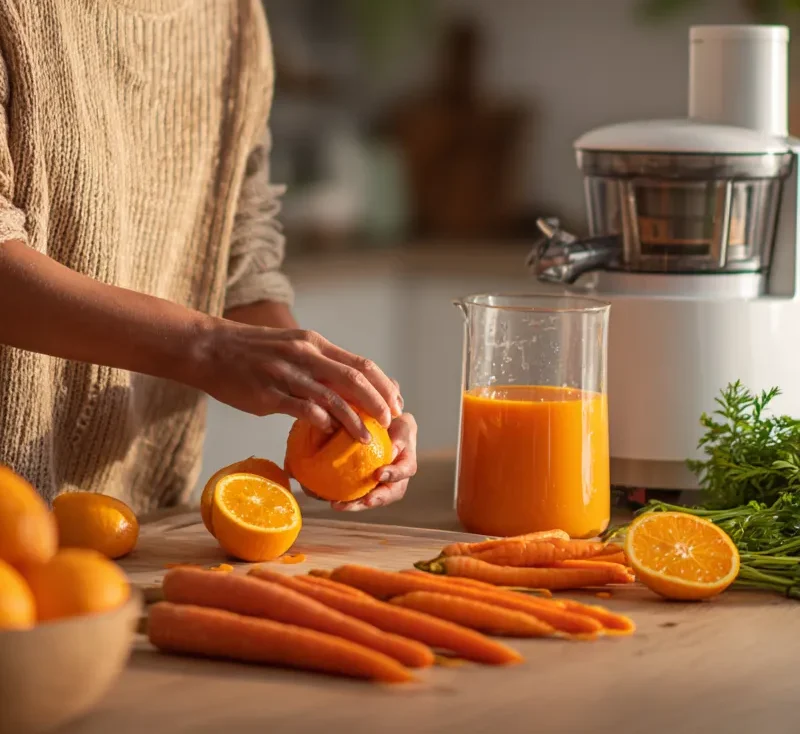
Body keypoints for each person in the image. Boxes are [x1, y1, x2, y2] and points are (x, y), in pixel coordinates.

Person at [0, 0, 417, 514]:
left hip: (136, 517)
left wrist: (326, 393)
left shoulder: (233, 16)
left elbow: (239, 253)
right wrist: (207, 348)